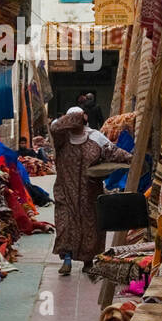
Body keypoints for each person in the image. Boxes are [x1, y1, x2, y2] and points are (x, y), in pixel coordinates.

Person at [51, 106, 131, 278]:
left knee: (90, 226)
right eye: (72, 118)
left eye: (78, 118)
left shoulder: (95, 137)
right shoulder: (62, 139)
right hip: (65, 190)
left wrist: (132, 158)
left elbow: (114, 152)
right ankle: (67, 259)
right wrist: (71, 118)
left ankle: (88, 262)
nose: (75, 122)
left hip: (90, 191)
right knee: (65, 225)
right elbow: (55, 127)